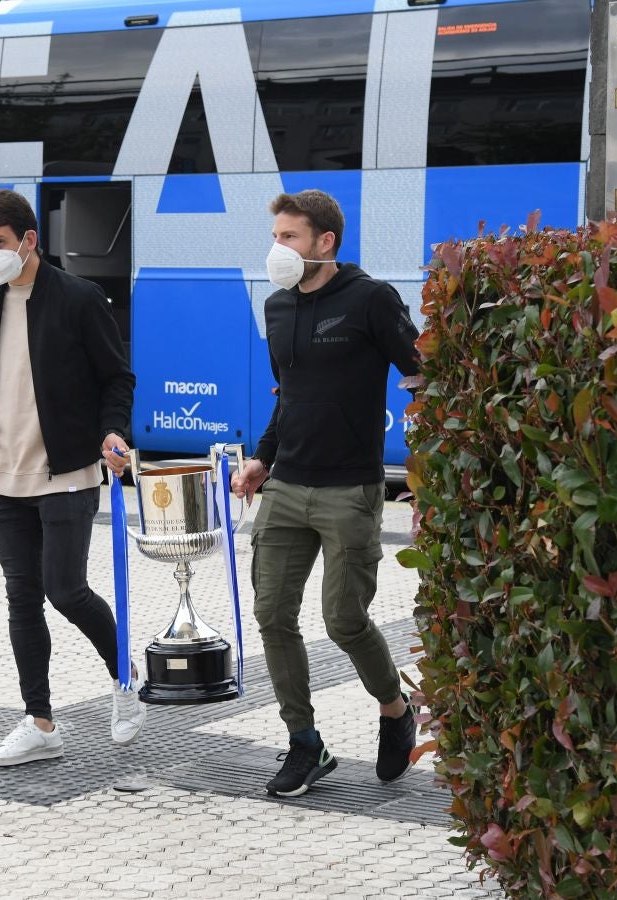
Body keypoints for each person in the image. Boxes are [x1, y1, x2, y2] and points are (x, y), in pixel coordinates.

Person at [230, 190, 422, 797]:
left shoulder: (371, 299)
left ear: (324, 242)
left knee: (344, 619)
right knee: (271, 616)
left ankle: (395, 710)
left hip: (350, 489)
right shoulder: (277, 307)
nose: (277, 248)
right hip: (286, 485)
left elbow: (422, 374)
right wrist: (263, 457)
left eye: (289, 237)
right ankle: (305, 744)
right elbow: (288, 394)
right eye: (277, 236)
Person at [0, 189, 142, 766]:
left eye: (0, 244)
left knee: (65, 590)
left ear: (30, 240)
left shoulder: (79, 298)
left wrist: (114, 432)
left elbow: (117, 378)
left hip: (66, 471)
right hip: (5, 477)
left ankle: (125, 678)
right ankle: (40, 722)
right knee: (21, 599)